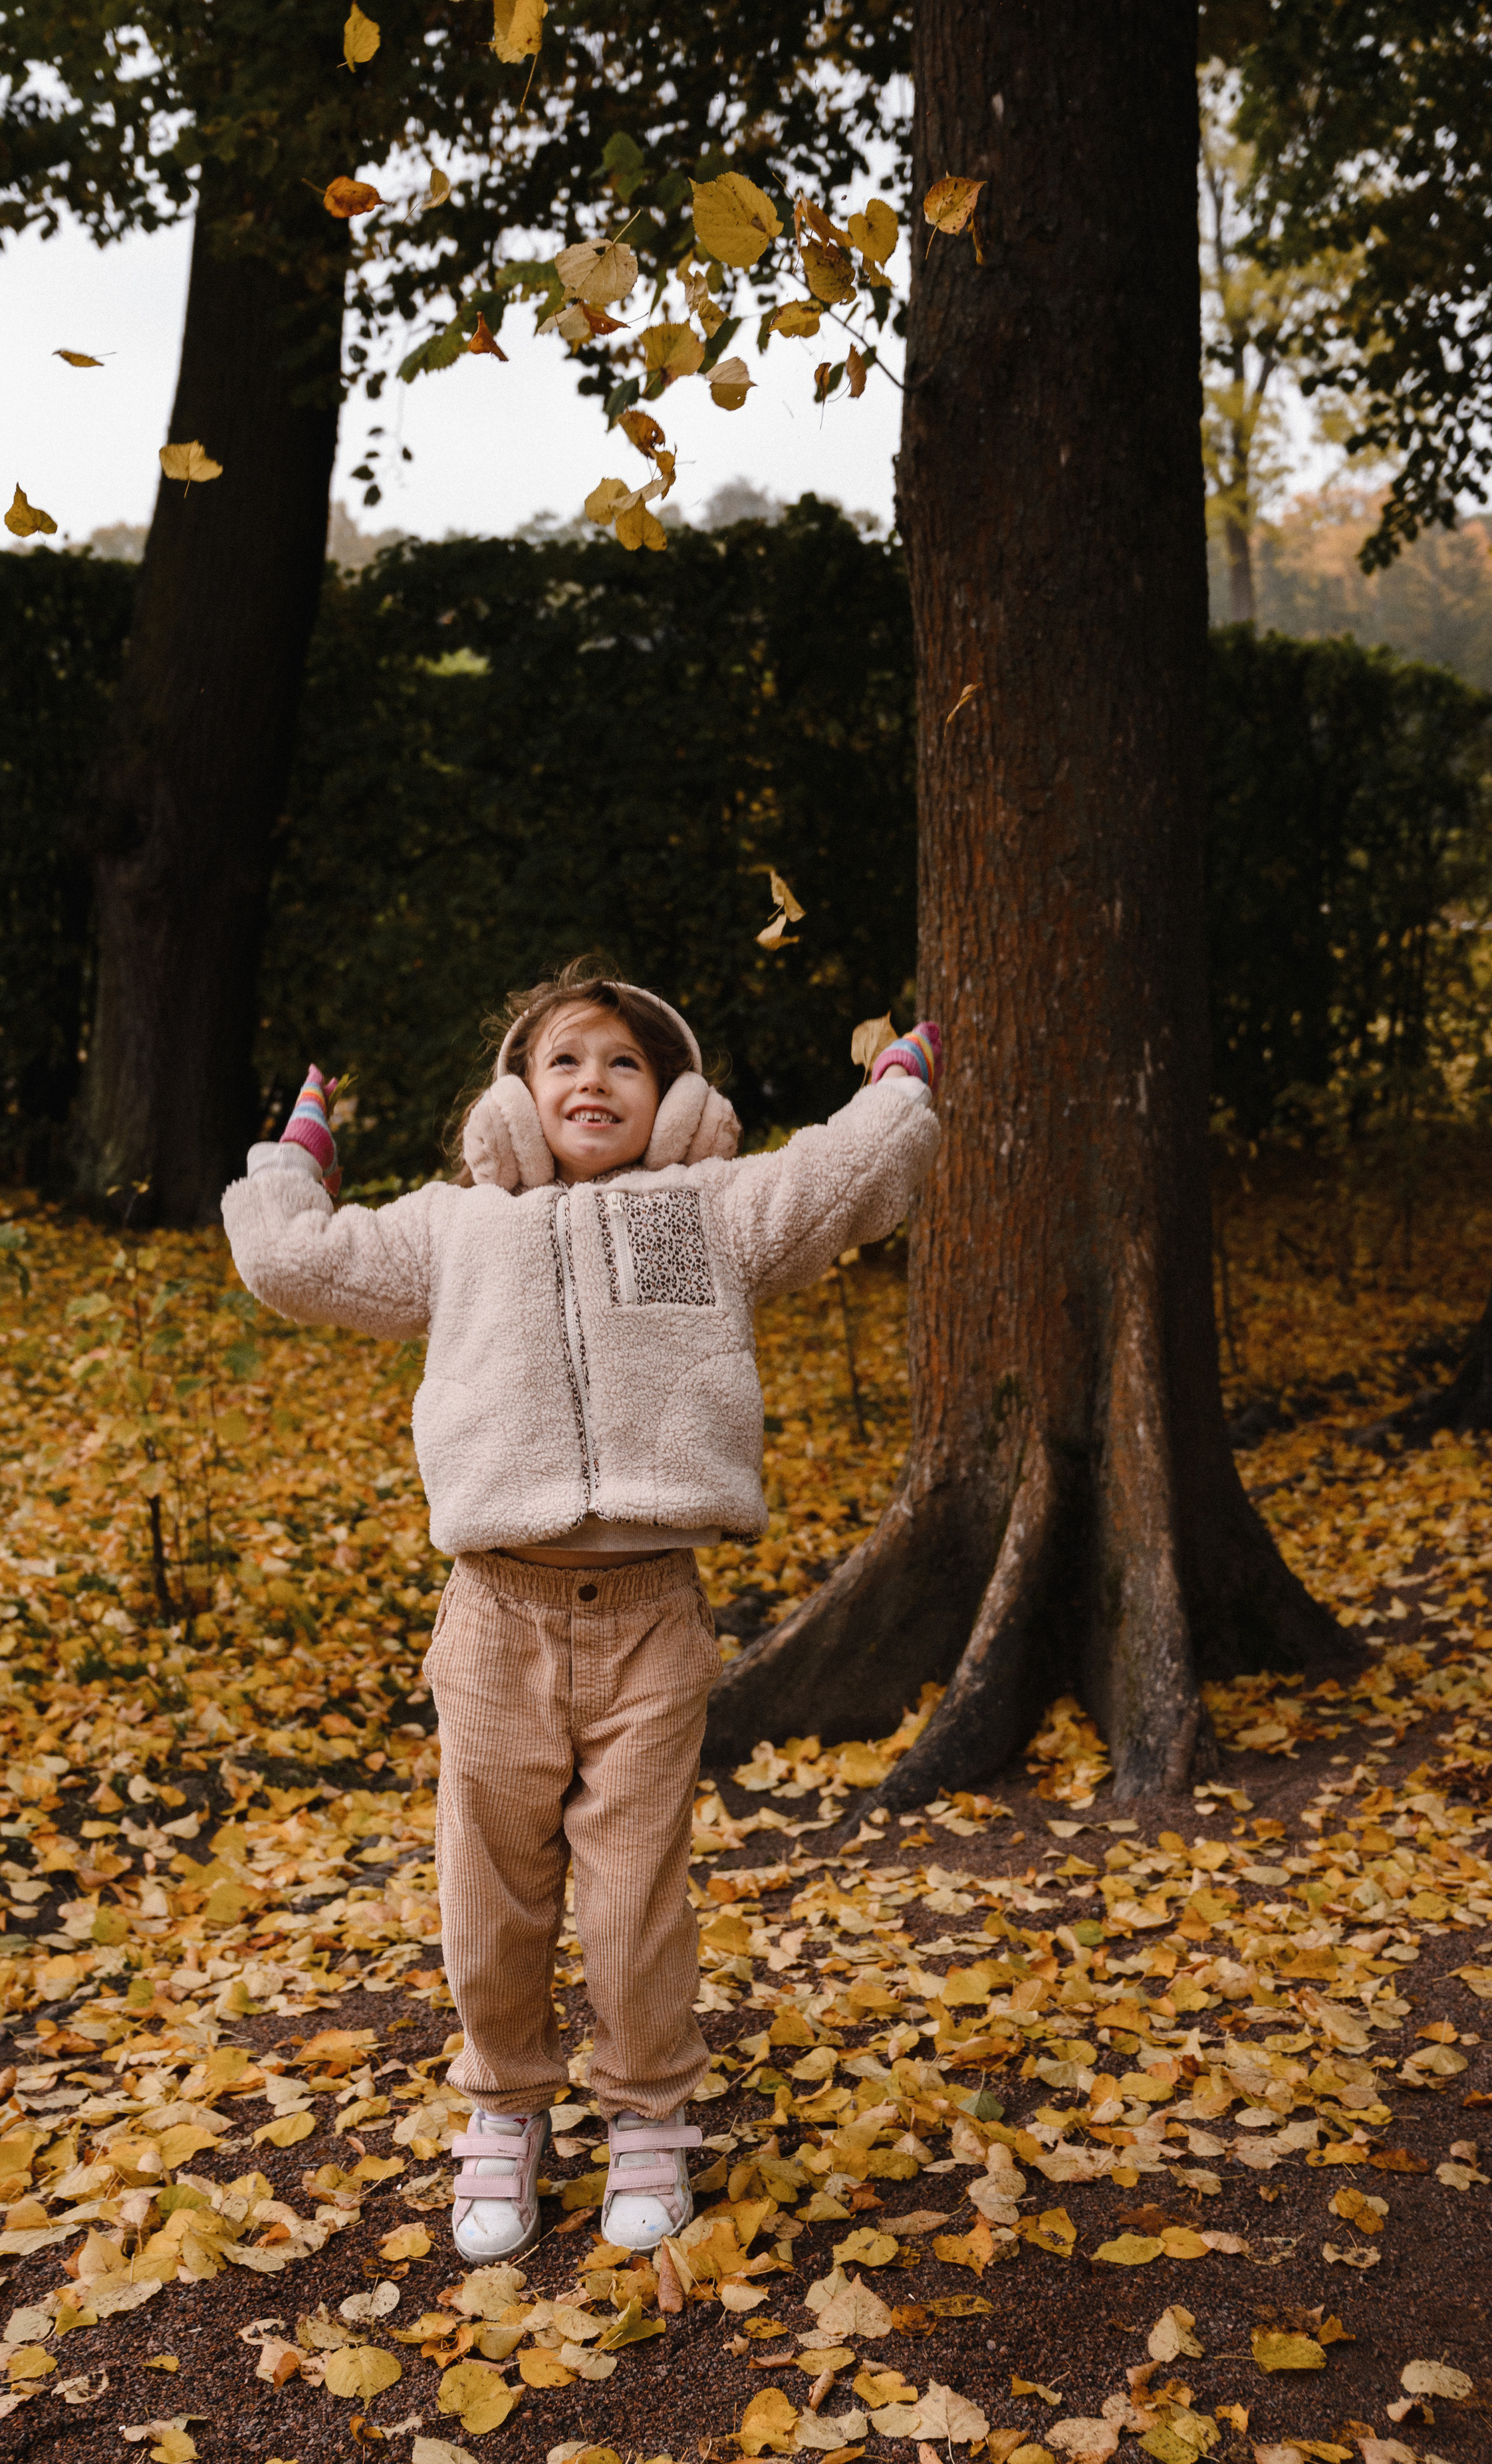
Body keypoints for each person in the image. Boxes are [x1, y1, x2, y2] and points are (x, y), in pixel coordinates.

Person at [222, 964, 941, 2262]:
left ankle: (649, 2115)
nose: (592, 1081)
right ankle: (502, 2106)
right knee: (489, 1896)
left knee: (631, 1897)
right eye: (563, 1059)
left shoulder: (701, 1212)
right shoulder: (457, 1227)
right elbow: (293, 1260)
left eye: (623, 1061)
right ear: (516, 1092)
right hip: (496, 1614)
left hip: (654, 1619)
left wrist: (897, 1087)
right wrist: (295, 1152)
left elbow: (836, 1184)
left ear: (668, 1098)